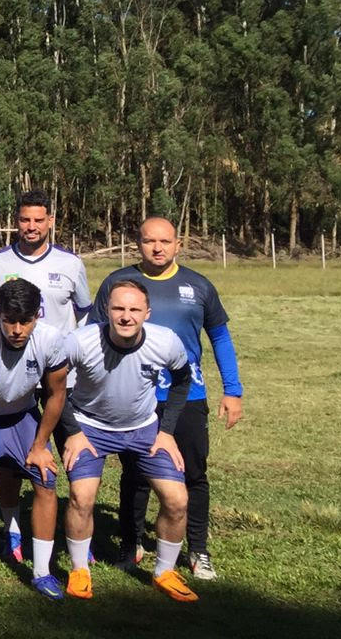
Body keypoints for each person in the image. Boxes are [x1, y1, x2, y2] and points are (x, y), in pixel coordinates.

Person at [96, 217, 244, 580]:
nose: (157, 248)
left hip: (187, 395)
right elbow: (94, 336)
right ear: (137, 244)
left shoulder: (198, 285)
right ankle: (131, 546)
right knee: (135, 473)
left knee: (193, 472)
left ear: (178, 244)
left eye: (164, 241)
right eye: (149, 241)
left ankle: (198, 550)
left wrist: (233, 390)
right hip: (136, 396)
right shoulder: (118, 283)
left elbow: (220, 338)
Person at [59, 277, 198, 602]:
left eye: (134, 309)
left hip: (144, 428)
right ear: (106, 310)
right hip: (89, 426)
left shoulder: (166, 342)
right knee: (81, 497)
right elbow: (53, 386)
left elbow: (181, 381)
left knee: (177, 500)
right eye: (119, 308)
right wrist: (74, 433)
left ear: (147, 313)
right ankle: (80, 571)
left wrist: (166, 432)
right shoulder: (80, 341)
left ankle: (165, 572)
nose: (126, 316)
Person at [0, 189, 91, 561]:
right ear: (17, 221)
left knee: (69, 455)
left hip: (59, 376)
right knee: (12, 463)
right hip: (13, 375)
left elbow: (86, 317)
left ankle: (78, 533)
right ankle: (12, 529)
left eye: (38, 220)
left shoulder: (71, 264)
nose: (31, 227)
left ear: (50, 221)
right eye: (24, 220)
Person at [0, 278, 70, 600]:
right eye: (10, 321)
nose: (18, 329)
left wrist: (39, 446)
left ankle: (42, 573)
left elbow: (57, 393)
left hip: (22, 417)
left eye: (26, 320)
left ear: (38, 315)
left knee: (46, 480)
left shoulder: (50, 339)